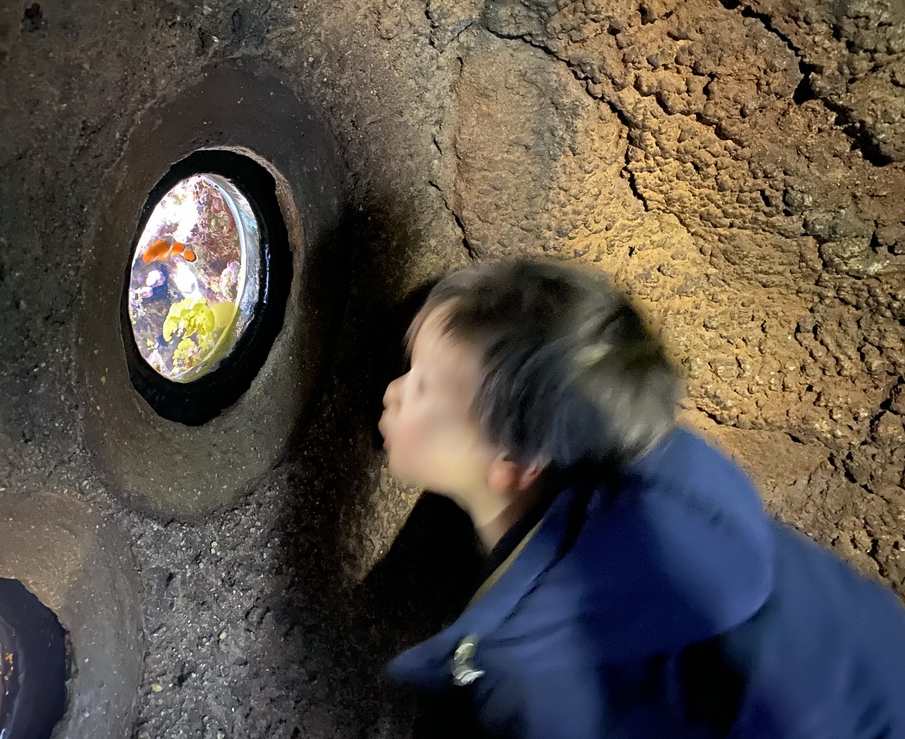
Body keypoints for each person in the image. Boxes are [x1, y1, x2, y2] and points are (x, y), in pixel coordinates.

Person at [377, 257, 905, 738]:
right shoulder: (655, 469)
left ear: (515, 463)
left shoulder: (546, 688)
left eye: (424, 387)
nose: (393, 391)